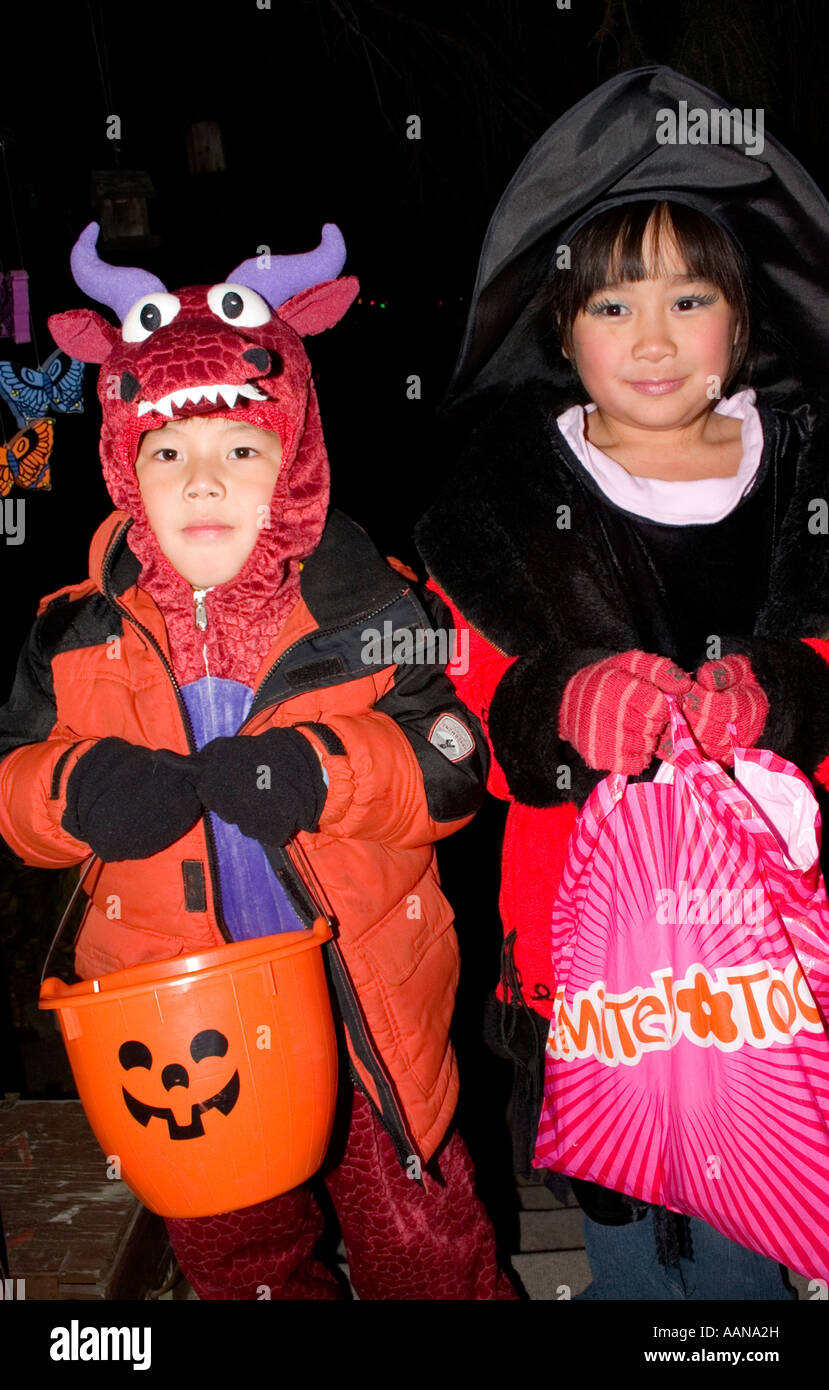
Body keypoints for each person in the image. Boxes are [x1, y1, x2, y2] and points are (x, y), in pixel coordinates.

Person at [0, 222, 518, 1301]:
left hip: (357, 998)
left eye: (240, 451)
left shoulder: (374, 601)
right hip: (185, 1023)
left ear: (293, 458)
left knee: (416, 1236)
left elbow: (454, 760)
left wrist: (326, 770)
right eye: (168, 453)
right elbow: (11, 784)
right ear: (121, 465)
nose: (203, 484)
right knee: (240, 1253)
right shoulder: (72, 630)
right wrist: (75, 789)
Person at [415, 65, 829, 1300]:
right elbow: (461, 729)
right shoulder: (499, 508)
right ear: (556, 325)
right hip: (589, 965)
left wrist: (787, 693)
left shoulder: (805, 482)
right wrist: (554, 712)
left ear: (743, 318)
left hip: (771, 962)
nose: (652, 341)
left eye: (689, 296)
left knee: (752, 1230)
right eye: (610, 305)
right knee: (626, 1220)